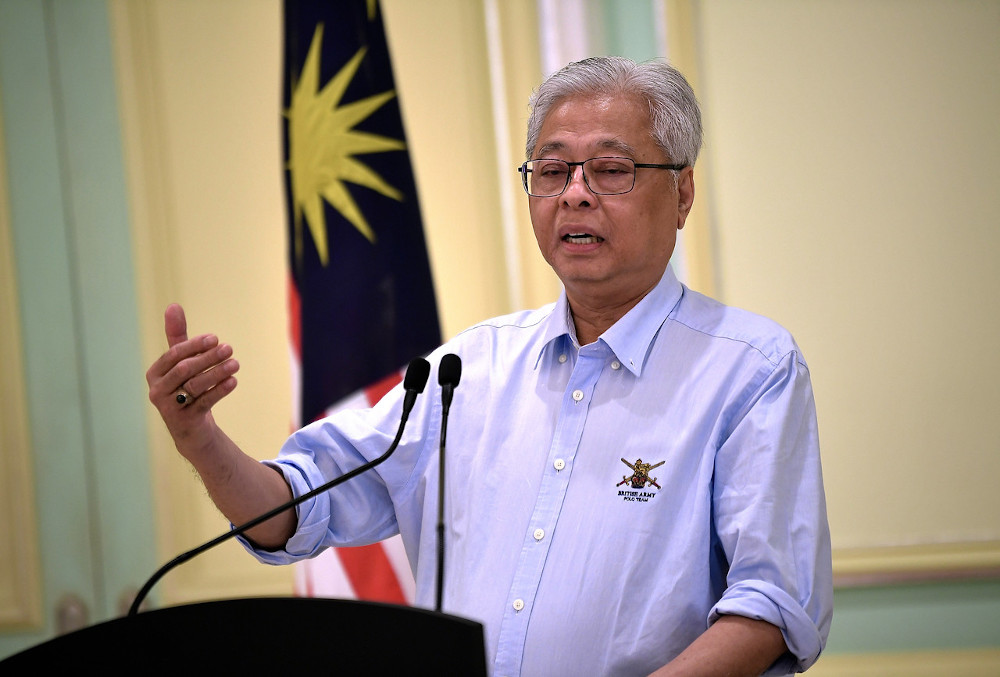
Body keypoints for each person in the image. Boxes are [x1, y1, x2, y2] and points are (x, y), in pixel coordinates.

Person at [147, 56, 832, 676]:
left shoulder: (749, 369)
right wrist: (200, 440)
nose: (575, 194)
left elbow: (769, 605)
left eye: (612, 169)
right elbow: (299, 508)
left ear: (682, 193)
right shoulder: (469, 369)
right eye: (553, 169)